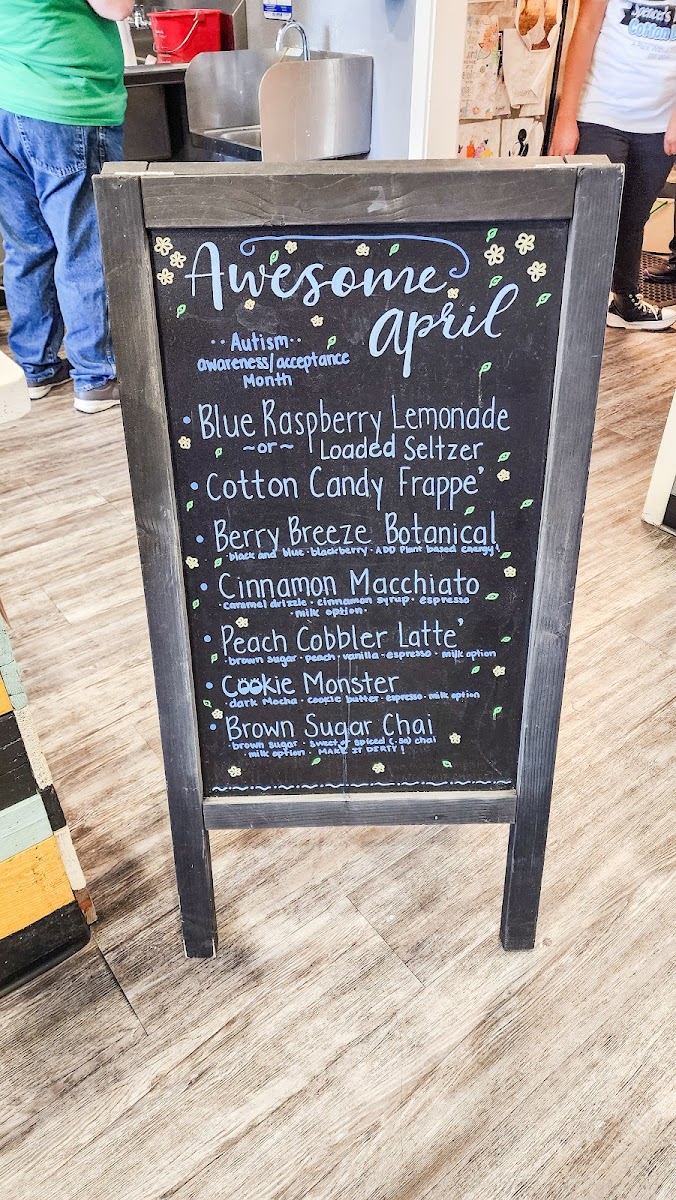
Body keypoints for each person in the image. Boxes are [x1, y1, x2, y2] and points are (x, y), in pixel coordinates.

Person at [0, 0, 133, 414]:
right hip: (65, 101)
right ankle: (96, 375)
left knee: (26, 246)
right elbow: (117, 7)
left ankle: (35, 369)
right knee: (84, 246)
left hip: (6, 98)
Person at [549, 0, 676, 331]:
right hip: (599, 112)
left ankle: (625, 301)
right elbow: (585, 30)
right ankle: (569, 305)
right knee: (592, 216)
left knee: (634, 217)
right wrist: (566, 117)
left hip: (659, 121)